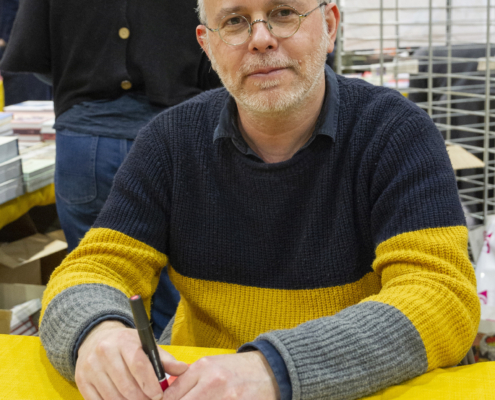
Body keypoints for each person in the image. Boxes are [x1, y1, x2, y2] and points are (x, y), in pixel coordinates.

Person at [39, 0, 480, 399]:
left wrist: (275, 369)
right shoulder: (170, 141)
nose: (261, 38)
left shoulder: (396, 132)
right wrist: (97, 332)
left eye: (284, 13)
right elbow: (94, 268)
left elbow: (441, 296)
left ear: (329, 25)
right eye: (234, 22)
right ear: (207, 45)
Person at [0, 0, 221, 335]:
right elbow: (225, 45)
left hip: (86, 140)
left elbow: (39, 57)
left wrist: (86, 74)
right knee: (179, 298)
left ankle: (112, 378)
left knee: (94, 286)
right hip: (178, 129)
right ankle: (173, 380)